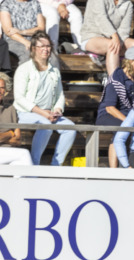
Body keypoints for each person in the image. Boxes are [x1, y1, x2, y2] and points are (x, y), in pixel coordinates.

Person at [13, 32, 75, 166]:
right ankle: (35, 164)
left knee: (70, 128)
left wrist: (57, 109)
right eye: (41, 46)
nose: (46, 49)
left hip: (49, 113)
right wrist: (42, 113)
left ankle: (56, 165)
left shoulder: (54, 71)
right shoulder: (24, 69)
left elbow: (59, 95)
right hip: (25, 113)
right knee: (45, 125)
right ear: (33, 48)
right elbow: (19, 98)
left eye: (48, 46)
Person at [96, 46, 134, 168]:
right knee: (121, 129)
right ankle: (114, 170)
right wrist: (129, 121)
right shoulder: (116, 79)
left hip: (129, 114)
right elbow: (110, 108)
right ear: (132, 62)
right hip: (108, 115)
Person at [80, 0, 134, 76]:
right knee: (112, 45)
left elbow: (124, 29)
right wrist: (114, 36)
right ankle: (114, 82)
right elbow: (101, 19)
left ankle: (129, 79)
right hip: (91, 36)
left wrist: (118, 42)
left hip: (116, 38)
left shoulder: (128, 4)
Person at [0, 72, 33, 165]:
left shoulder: (11, 109)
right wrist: (10, 133)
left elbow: (18, 140)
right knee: (24, 154)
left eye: (2, 88)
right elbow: (14, 136)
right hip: (7, 153)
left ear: (5, 91)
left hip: (9, 152)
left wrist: (3, 137)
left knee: (19, 165)